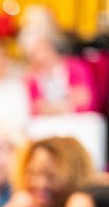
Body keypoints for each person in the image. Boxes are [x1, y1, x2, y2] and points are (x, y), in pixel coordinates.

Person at [20, 19, 107, 169]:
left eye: (43, 49)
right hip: (47, 123)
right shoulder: (32, 78)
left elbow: (85, 99)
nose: (40, 56)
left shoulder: (74, 67)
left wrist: (56, 107)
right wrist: (66, 103)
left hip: (77, 120)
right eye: (34, 53)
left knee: (93, 125)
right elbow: (35, 108)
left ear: (52, 47)